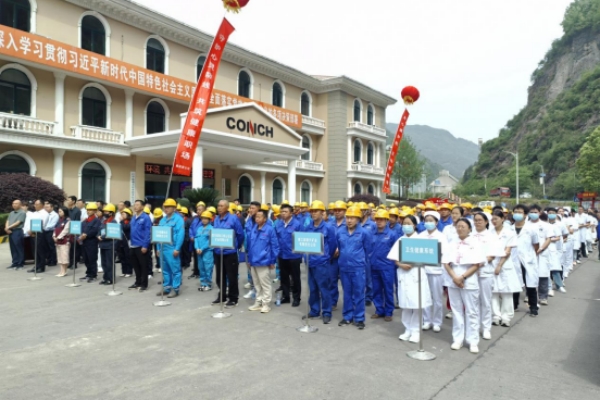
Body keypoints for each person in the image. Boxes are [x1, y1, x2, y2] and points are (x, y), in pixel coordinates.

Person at [443, 218, 486, 354]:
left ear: (469, 228)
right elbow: (446, 263)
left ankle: (473, 340)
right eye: (458, 226)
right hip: (453, 279)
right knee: (456, 311)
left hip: (469, 279)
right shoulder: (452, 242)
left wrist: (462, 277)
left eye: (463, 226)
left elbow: (476, 264)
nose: (460, 228)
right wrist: (455, 277)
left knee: (472, 311)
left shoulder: (475, 243)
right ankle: (458, 339)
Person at [387, 215, 432, 343]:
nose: (406, 226)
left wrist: (414, 262)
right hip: (404, 274)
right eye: (404, 223)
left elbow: (428, 257)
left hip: (416, 274)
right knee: (405, 304)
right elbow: (394, 258)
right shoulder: (401, 240)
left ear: (414, 225)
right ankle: (407, 329)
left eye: (408, 223)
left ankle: (416, 331)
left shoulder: (421, 239)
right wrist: (401, 264)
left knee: (417, 304)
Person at [304, 200, 337, 325]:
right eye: (312, 211)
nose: (313, 213)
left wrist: (326, 256)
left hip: (322, 263)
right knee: (312, 288)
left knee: (324, 288)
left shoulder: (328, 228)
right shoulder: (308, 227)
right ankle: (314, 310)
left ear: (322, 212)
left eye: (316, 211)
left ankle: (327, 312)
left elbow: (333, 245)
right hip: (310, 262)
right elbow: (304, 243)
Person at [336, 206, 368, 329]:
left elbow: (368, 250)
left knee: (359, 293)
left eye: (352, 218)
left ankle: (359, 318)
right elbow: (339, 247)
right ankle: (347, 316)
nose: (349, 220)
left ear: (358, 219)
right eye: (348, 217)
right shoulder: (340, 232)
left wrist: (360, 261)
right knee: (347, 293)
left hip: (358, 268)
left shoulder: (364, 232)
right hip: (344, 267)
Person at [489, 210, 521, 327]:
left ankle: (506, 317)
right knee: (493, 291)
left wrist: (499, 265)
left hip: (505, 263)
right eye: (492, 219)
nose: (494, 221)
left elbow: (507, 251)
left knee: (507, 292)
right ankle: (496, 316)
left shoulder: (509, 233)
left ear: (503, 219)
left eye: (496, 219)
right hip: (491, 263)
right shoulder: (489, 233)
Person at [212, 200, 245, 308]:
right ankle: (222, 295)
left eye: (221, 206)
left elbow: (240, 234)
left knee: (232, 277)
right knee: (219, 276)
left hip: (230, 253)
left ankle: (233, 298)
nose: (219, 207)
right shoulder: (216, 218)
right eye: (218, 205)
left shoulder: (233, 218)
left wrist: (236, 246)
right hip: (218, 252)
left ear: (227, 208)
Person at [419, 210, 447, 333]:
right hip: (423, 270)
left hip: (437, 271)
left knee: (437, 298)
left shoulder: (441, 236)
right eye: (426, 221)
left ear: (436, 222)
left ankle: (437, 322)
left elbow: (444, 253)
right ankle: (426, 320)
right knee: (425, 296)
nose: (428, 223)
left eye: (431, 221)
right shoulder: (421, 236)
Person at [247, 209, 280, 313]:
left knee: (265, 284)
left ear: (265, 219)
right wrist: (249, 259)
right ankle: (258, 302)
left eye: (259, 217)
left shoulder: (269, 230)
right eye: (256, 217)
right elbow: (250, 246)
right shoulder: (254, 228)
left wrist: (272, 261)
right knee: (257, 284)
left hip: (264, 261)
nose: (257, 218)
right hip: (253, 261)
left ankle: (266, 304)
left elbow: (275, 246)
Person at [370, 209, 399, 321]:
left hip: (387, 267)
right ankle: (379, 310)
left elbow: (396, 250)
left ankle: (388, 312)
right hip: (374, 266)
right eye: (377, 219)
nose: (379, 221)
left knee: (388, 290)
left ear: (386, 220)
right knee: (376, 290)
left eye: (381, 219)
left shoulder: (392, 234)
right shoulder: (372, 233)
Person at [470, 212, 494, 340]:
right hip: (471, 273)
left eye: (480, 220)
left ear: (486, 222)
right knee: (473, 301)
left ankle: (486, 328)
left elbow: (492, 255)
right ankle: (474, 327)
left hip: (485, 272)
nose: (477, 222)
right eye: (475, 220)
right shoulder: (470, 235)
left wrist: (480, 264)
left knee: (485, 301)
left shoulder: (491, 236)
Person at [512, 204, 540, 317]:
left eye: (520, 212)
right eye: (515, 212)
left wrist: (530, 254)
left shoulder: (531, 229)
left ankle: (533, 307)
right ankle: (514, 305)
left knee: (530, 285)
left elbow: (536, 244)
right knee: (514, 283)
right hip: (513, 259)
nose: (517, 214)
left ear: (525, 215)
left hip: (527, 260)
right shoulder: (508, 229)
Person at [274, 203, 303, 307]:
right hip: (282, 255)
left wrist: (300, 254)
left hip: (294, 256)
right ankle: (286, 297)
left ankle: (296, 298)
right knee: (284, 278)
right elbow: (275, 239)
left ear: (291, 213)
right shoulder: (278, 224)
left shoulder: (297, 224)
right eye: (282, 211)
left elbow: (301, 239)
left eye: (285, 212)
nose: (283, 213)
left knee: (295, 279)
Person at [156, 199, 185, 298]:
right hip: (163, 248)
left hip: (172, 248)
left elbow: (180, 235)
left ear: (174, 208)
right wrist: (158, 248)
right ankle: (166, 288)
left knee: (175, 270)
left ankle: (175, 289)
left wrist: (177, 248)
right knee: (165, 270)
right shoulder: (162, 220)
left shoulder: (178, 220)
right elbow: (158, 234)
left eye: (168, 207)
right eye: (165, 207)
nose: (166, 208)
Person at [527, 205, 553, 306]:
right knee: (529, 275)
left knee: (543, 275)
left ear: (540, 213)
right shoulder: (526, 225)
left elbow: (548, 239)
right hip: (529, 253)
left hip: (542, 253)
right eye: (531, 212)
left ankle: (543, 296)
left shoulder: (546, 225)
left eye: (535, 212)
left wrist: (541, 249)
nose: (533, 214)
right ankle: (529, 295)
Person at [129, 200, 152, 292]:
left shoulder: (146, 218)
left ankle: (144, 284)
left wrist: (145, 246)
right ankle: (137, 282)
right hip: (133, 245)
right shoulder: (133, 217)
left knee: (143, 266)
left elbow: (148, 233)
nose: (135, 206)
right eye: (135, 205)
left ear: (142, 207)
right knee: (135, 265)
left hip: (141, 245)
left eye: (138, 205)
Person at [79, 202, 101, 282]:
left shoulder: (96, 220)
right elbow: (81, 229)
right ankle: (88, 274)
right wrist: (81, 235)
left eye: (91, 210)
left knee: (92, 259)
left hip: (92, 242)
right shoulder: (85, 220)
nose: (89, 211)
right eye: (88, 210)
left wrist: (86, 235)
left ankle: (93, 275)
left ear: (95, 211)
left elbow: (95, 230)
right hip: (84, 242)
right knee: (86, 259)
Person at [98, 203, 118, 285]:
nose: (104, 213)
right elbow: (99, 230)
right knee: (104, 263)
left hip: (110, 245)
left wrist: (102, 237)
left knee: (110, 263)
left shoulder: (113, 222)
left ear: (111, 213)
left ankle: (110, 279)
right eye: (104, 211)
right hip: (103, 245)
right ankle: (105, 278)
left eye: (106, 211)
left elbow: (112, 233)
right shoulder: (104, 221)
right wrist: (98, 236)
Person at [194, 211, 214, 291]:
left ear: (209, 219)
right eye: (203, 218)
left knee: (208, 267)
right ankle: (203, 283)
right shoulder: (199, 228)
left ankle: (208, 284)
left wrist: (202, 248)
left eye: (206, 218)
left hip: (207, 251)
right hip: (199, 251)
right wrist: (197, 248)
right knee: (201, 267)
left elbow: (210, 241)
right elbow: (196, 239)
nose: (204, 220)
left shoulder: (211, 229)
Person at [28, 199, 49, 274]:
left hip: (40, 233)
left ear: (42, 205)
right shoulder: (34, 213)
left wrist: (33, 230)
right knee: (35, 250)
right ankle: (36, 265)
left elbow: (42, 224)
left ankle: (41, 266)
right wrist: (29, 230)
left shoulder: (44, 213)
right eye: (35, 204)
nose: (35, 206)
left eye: (37, 204)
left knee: (40, 250)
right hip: (32, 232)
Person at [6, 199, 26, 270]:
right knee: (13, 248)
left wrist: (8, 227)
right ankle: (15, 262)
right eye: (13, 203)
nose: (14, 205)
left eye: (16, 203)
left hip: (17, 231)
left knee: (19, 248)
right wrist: (7, 228)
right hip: (10, 231)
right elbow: (8, 221)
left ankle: (20, 263)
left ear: (20, 205)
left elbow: (18, 222)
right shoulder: (11, 213)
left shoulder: (22, 213)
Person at [52, 206, 71, 277]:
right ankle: (61, 270)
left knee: (64, 256)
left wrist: (58, 237)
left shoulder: (68, 221)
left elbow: (65, 230)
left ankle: (64, 271)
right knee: (59, 256)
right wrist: (54, 236)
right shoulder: (59, 220)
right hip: (57, 241)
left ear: (64, 212)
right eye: (58, 211)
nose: (59, 213)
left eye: (60, 211)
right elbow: (55, 229)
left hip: (64, 241)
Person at [118, 208, 133, 277]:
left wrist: (121, 221)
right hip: (121, 242)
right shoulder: (122, 222)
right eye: (122, 214)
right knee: (122, 257)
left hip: (127, 241)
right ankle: (124, 271)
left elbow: (126, 227)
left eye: (123, 214)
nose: (122, 215)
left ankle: (129, 271)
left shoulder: (130, 222)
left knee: (128, 257)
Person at [44, 202, 59, 267]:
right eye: (45, 207)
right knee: (46, 247)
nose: (46, 208)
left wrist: (43, 227)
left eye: (47, 207)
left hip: (51, 232)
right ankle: (48, 259)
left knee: (51, 247)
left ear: (52, 207)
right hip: (45, 231)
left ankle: (53, 260)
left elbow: (52, 225)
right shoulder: (45, 214)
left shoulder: (55, 215)